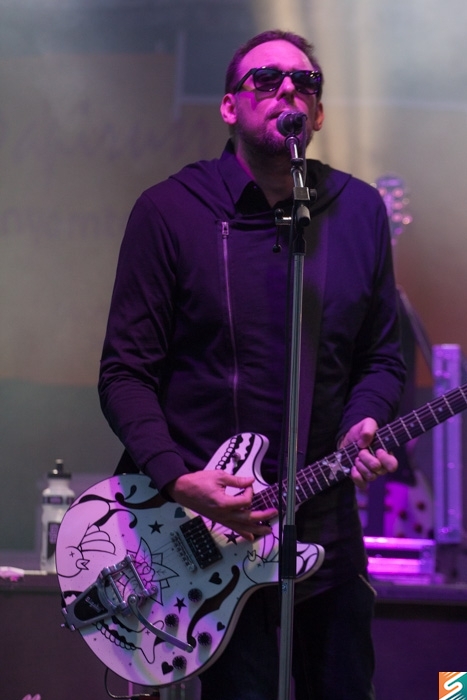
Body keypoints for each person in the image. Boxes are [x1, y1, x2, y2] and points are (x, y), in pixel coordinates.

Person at [98, 29, 406, 700]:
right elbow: (125, 373)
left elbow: (383, 354)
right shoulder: (172, 211)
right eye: (265, 79)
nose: (287, 89)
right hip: (206, 533)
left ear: (317, 115)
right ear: (230, 107)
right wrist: (179, 478)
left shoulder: (357, 211)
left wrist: (363, 418)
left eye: (304, 82)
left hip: (325, 531)